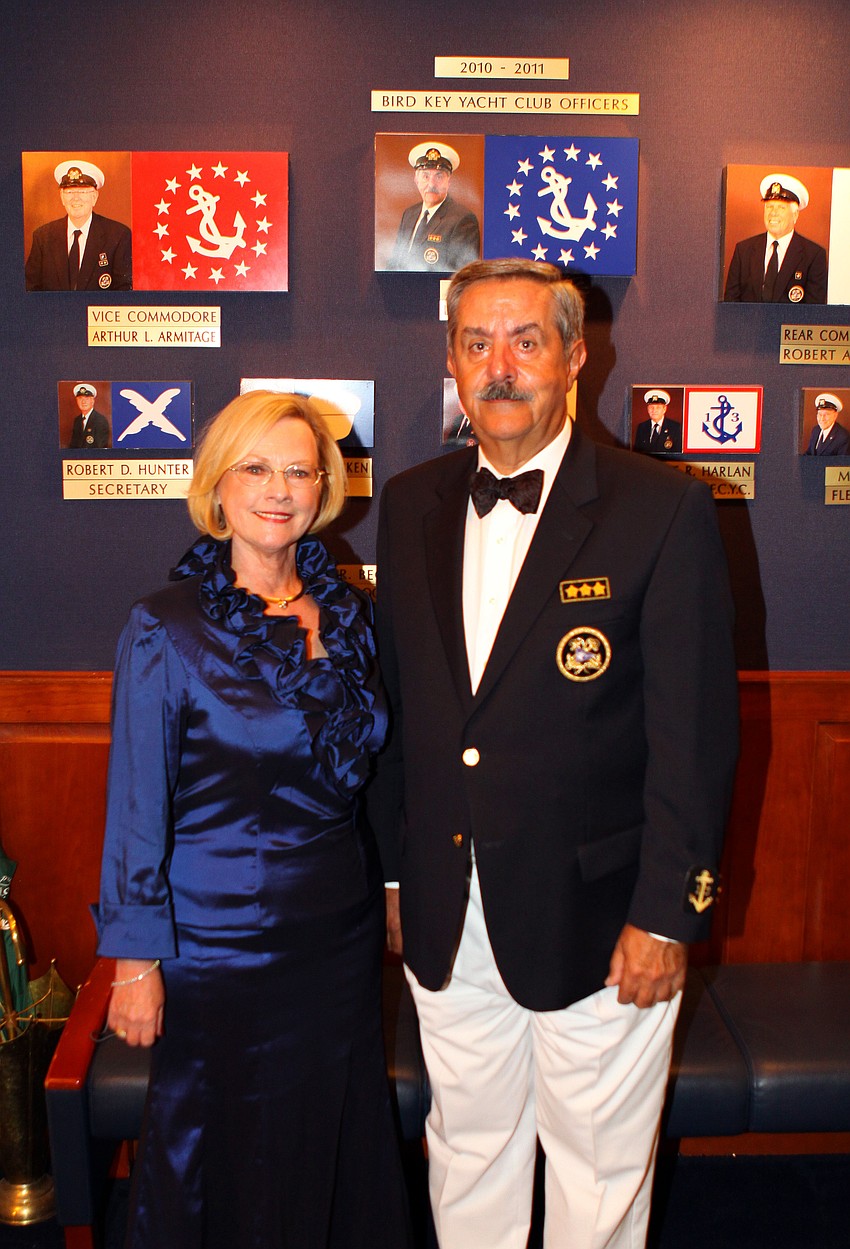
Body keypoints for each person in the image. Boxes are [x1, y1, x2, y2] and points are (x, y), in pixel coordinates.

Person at [367, 258, 739, 1249]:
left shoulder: (662, 507)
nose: (500, 365)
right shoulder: (409, 501)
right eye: (476, 342)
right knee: (467, 1151)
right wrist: (397, 874)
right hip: (448, 911)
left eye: (525, 341)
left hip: (604, 918)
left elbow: (695, 736)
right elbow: (396, 708)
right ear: (451, 361)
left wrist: (668, 912)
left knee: (598, 1171)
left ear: (576, 357)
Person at [95, 391, 411, 1249]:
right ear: (218, 487)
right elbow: (136, 804)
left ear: (324, 488)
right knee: (223, 1150)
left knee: (330, 1136)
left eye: (300, 471)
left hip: (337, 936)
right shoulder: (165, 626)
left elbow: (373, 772)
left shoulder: (351, 613)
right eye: (257, 468)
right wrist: (134, 961)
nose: (280, 489)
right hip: (217, 946)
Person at [25, 159, 132, 291]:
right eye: (69, 192)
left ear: (94, 197)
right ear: (62, 197)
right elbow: (30, 290)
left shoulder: (118, 236)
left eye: (82, 192)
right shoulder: (43, 237)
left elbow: (124, 293)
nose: (76, 198)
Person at [723, 173, 827, 304]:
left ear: (795, 215)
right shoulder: (743, 250)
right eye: (769, 206)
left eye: (781, 208)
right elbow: (731, 304)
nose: (773, 213)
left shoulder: (813, 255)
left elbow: (814, 311)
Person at [388, 142, 480, 273]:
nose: (431, 184)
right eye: (425, 176)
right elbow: (394, 263)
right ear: (416, 180)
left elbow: (461, 275)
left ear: (449, 181)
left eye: (439, 176)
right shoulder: (409, 214)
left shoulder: (463, 220)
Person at [633, 388, 682, 454]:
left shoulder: (675, 427)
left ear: (664, 409)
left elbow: (678, 453)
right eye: (651, 407)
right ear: (647, 409)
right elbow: (637, 453)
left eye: (658, 407)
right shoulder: (642, 427)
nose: (654, 410)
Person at [68, 383, 110, 449]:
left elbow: (100, 448)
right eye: (80, 398)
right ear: (77, 401)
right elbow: (73, 446)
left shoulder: (100, 421)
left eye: (87, 398)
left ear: (92, 401)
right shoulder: (77, 421)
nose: (83, 402)